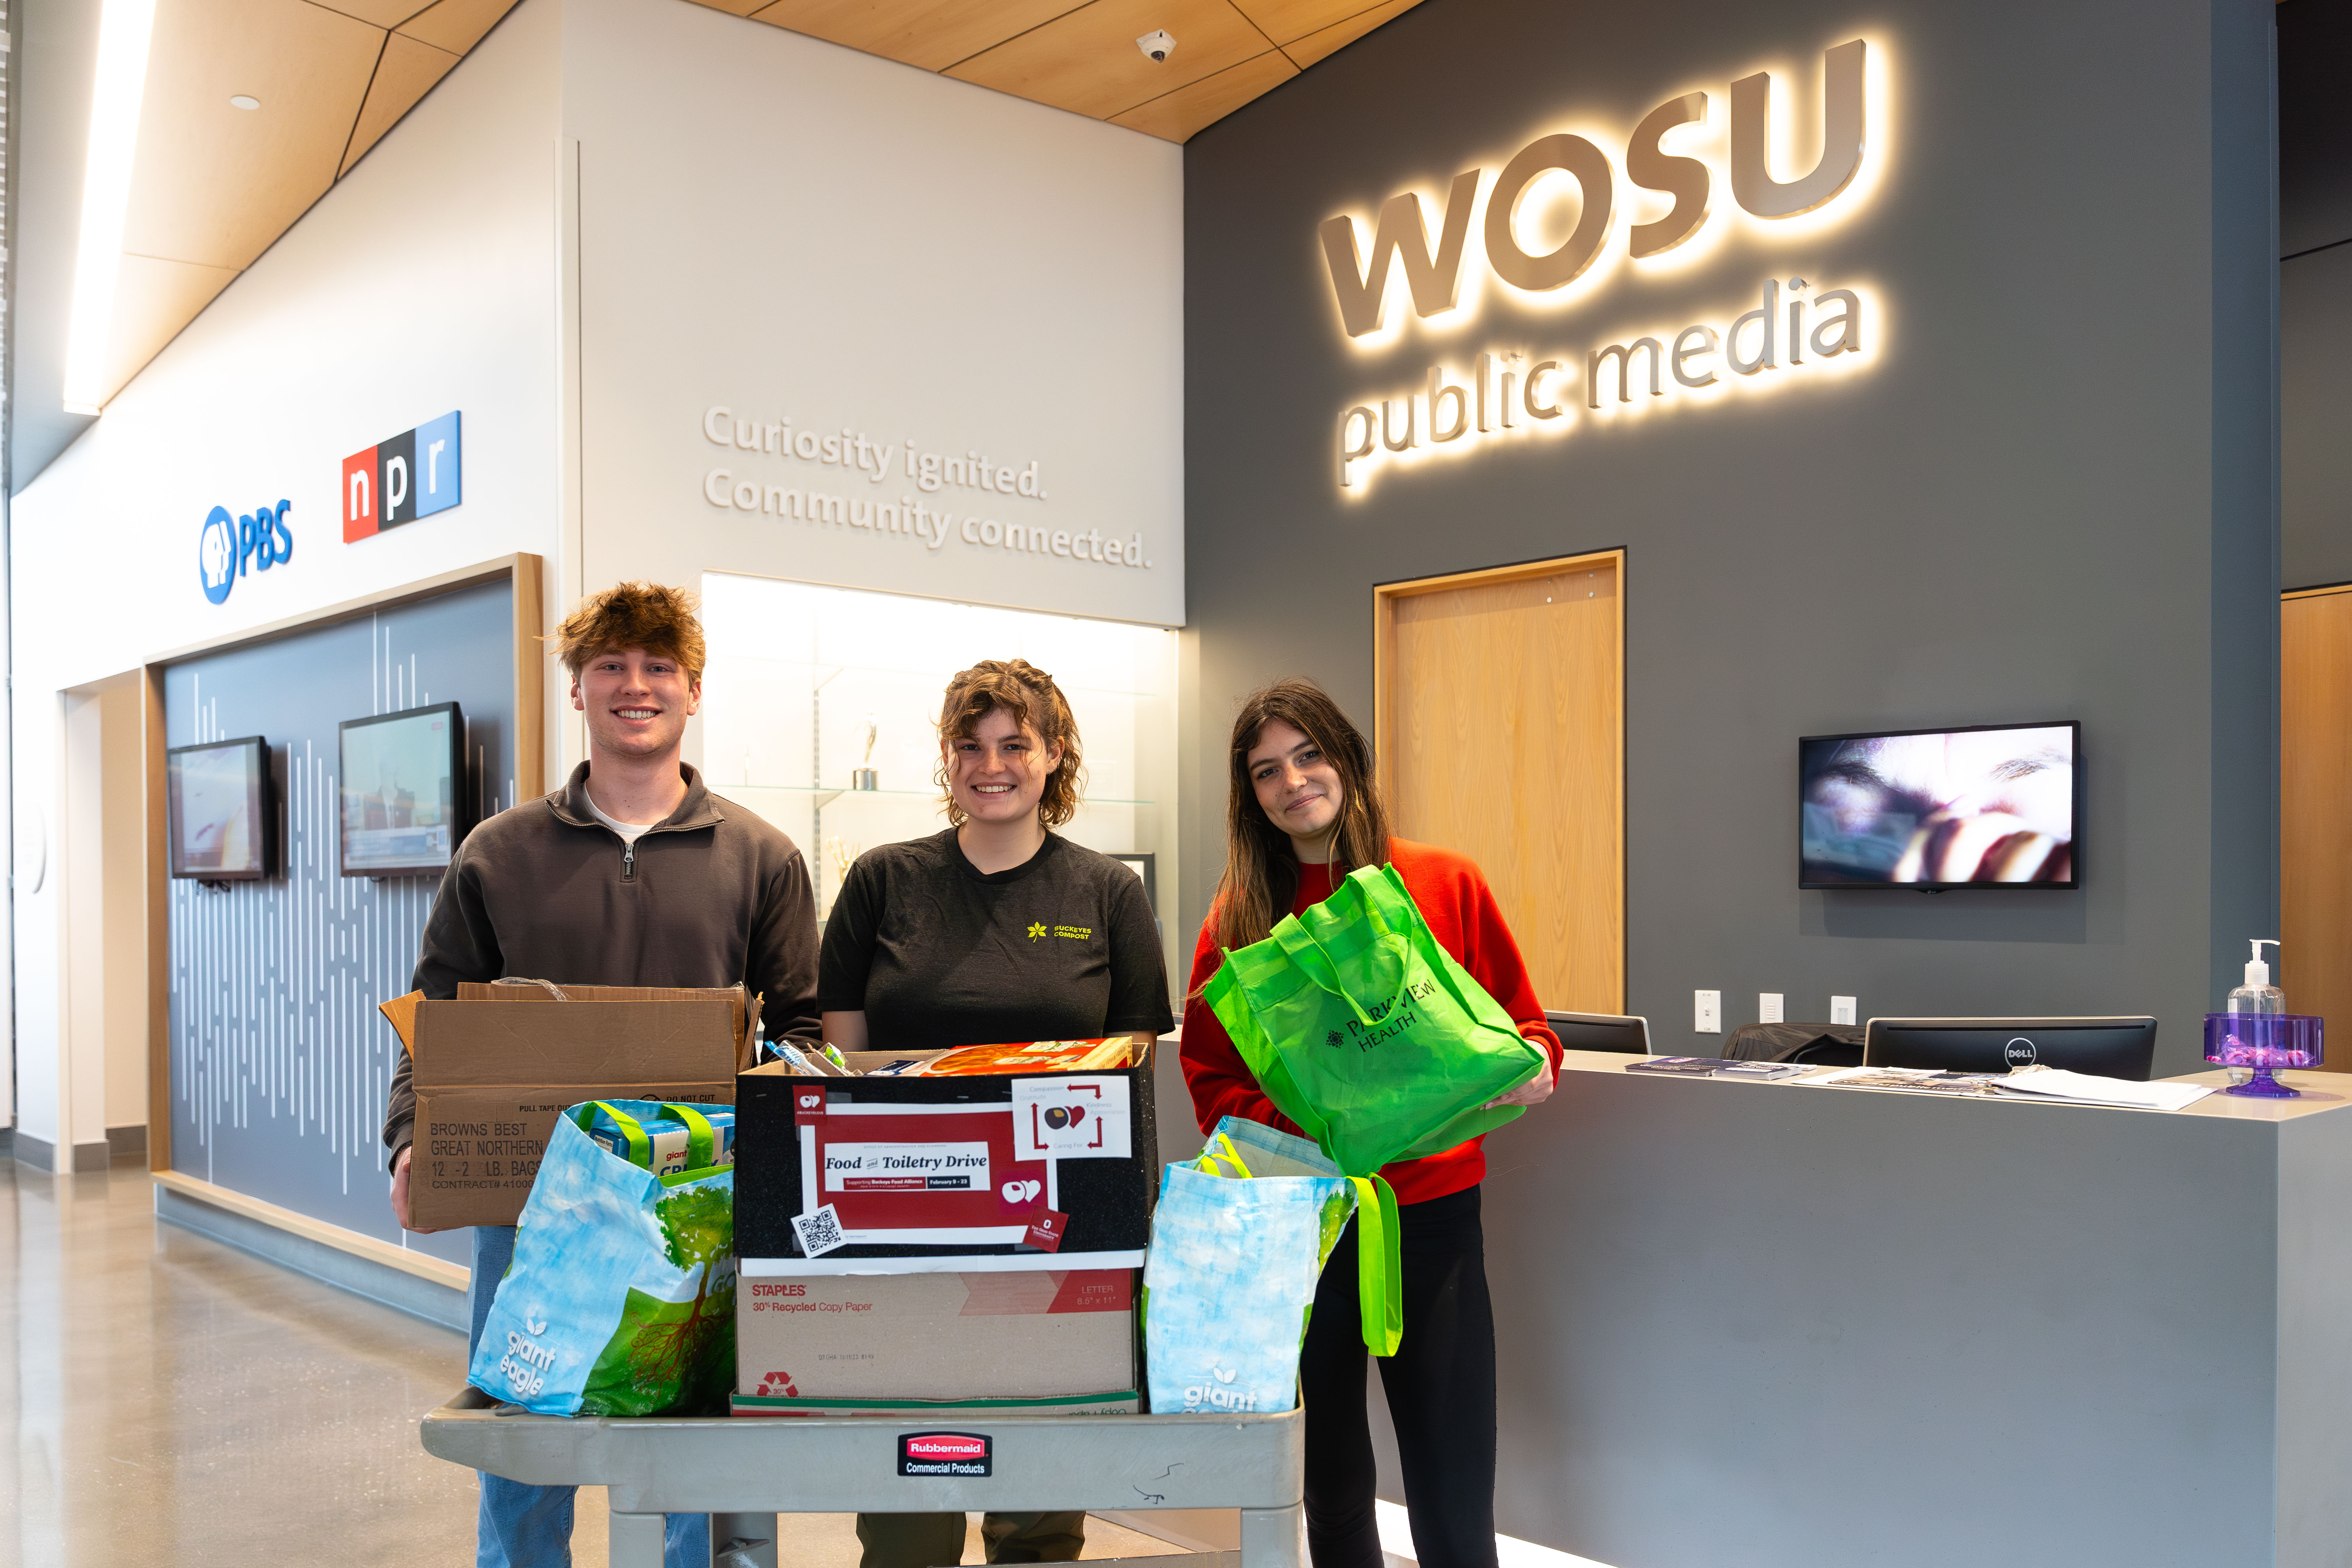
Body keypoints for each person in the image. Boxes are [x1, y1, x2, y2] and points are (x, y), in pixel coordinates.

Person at [381, 581, 820, 1568]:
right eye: (611, 666)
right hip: (531, 1205)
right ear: (577, 689)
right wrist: (413, 1137)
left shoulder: (761, 856)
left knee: (703, 1456)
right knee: (525, 1449)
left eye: (657, 666)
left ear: (693, 689)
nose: (635, 685)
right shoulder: (497, 853)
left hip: (704, 1202)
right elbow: (435, 1020)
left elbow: (797, 1028)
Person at [1179, 678, 1559, 1568]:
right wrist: (1326, 1130)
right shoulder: (1233, 921)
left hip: (1433, 1219)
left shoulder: (1441, 880)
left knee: (1452, 1477)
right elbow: (1209, 1082)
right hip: (1303, 1231)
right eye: (1266, 770)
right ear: (1251, 796)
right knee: (1333, 1481)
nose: (1293, 782)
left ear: (1346, 757)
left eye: (1308, 755)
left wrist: (1533, 1066)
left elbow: (1522, 1022)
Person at [819, 658, 1173, 1568]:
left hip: (1058, 1237)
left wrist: (1132, 1241)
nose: (992, 764)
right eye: (969, 745)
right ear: (946, 757)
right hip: (897, 1228)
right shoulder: (880, 882)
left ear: (1054, 755)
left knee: (1039, 1512)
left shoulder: (1107, 893)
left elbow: (1128, 1086)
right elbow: (843, 1079)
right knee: (903, 1506)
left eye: (1015, 743)